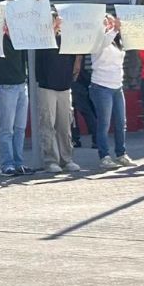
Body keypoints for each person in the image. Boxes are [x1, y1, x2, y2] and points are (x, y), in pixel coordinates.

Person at [36, 10, 82, 174]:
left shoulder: (66, 39)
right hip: (47, 87)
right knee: (48, 124)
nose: (58, 22)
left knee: (65, 125)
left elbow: (78, 52)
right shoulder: (42, 39)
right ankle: (51, 160)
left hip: (64, 87)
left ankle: (67, 159)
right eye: (54, 20)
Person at [89, 15, 137, 170]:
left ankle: (121, 153)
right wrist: (114, 29)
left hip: (117, 86)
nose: (110, 24)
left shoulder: (116, 41)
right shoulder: (98, 39)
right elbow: (103, 43)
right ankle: (104, 156)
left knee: (121, 122)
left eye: (110, 21)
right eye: (106, 22)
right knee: (104, 123)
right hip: (101, 86)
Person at [0, 0, 33, 176]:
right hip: (5, 86)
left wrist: (35, 4)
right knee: (7, 129)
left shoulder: (20, 35)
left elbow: (36, 25)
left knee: (20, 128)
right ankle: (7, 164)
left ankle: (18, 163)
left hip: (21, 85)